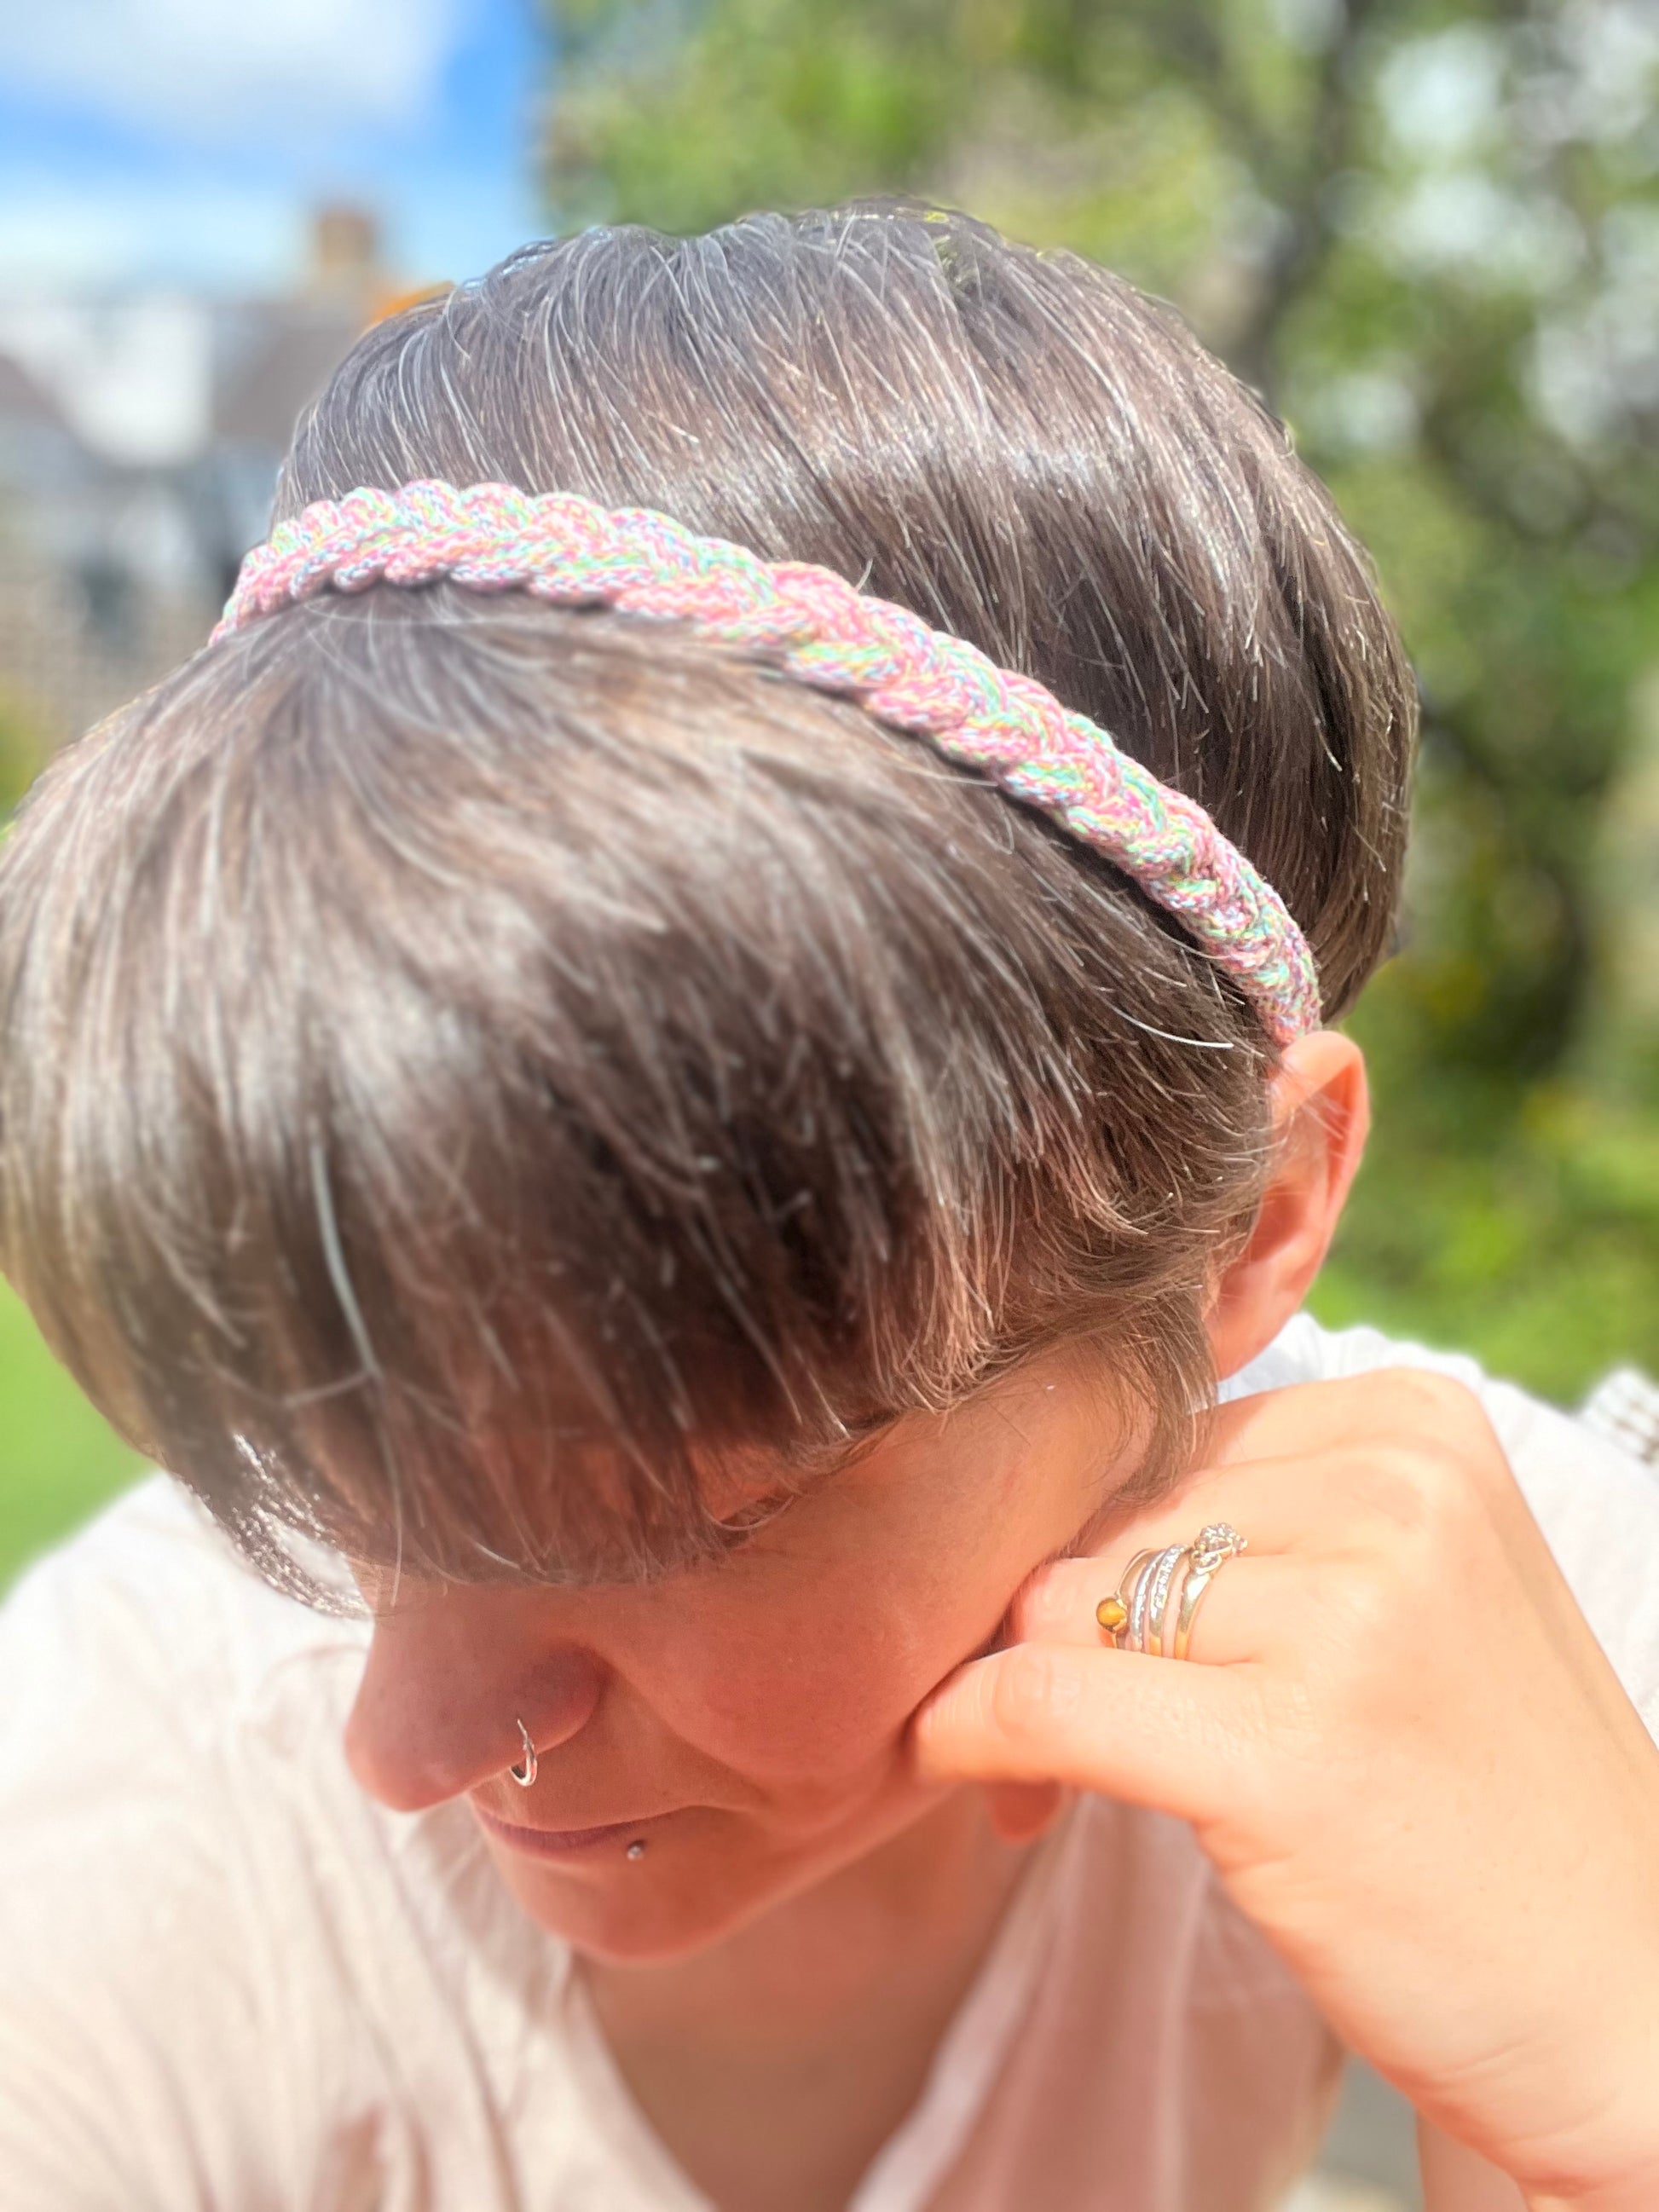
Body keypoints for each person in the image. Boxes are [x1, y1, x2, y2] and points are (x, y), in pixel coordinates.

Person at [1, 202, 1656, 2212]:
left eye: (675, 1513)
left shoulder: (1528, 1655)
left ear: (1248, 1225)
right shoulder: (110, 1825)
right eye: (345, 1464)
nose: (406, 1735)